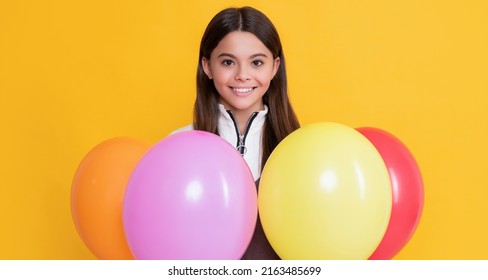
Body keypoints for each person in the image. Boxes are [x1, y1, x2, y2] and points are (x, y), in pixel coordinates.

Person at [172, 6, 300, 259]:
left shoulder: (301, 150)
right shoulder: (176, 147)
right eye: (228, 62)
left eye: (256, 62)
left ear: (275, 68)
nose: (242, 75)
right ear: (207, 66)